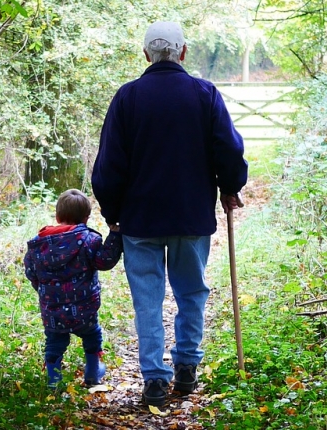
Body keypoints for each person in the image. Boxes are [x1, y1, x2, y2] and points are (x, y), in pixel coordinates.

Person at [90, 21, 248, 407]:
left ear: (146, 55)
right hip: (190, 217)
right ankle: (187, 367)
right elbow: (228, 149)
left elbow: (109, 164)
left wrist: (112, 212)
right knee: (191, 292)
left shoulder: (127, 98)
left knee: (148, 299)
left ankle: (155, 380)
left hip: (139, 220)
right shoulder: (204, 93)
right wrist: (231, 186)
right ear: (183, 52)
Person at [23, 189, 124, 388]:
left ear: (57, 216)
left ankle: (54, 381)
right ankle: (93, 373)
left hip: (52, 310)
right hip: (84, 307)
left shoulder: (39, 245)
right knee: (92, 335)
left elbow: (31, 272)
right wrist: (115, 235)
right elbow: (104, 261)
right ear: (86, 218)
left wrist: (46, 293)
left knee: (54, 341)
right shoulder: (89, 240)